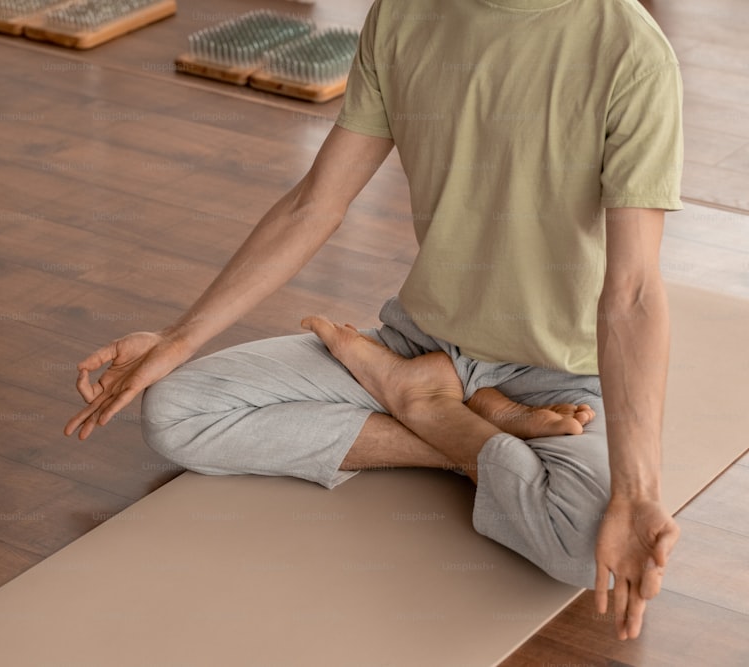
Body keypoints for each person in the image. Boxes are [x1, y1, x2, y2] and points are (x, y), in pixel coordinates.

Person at [65, 0, 683, 641]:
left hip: (557, 376)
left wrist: (637, 493)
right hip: (418, 345)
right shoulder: (404, 13)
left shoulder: (630, 51)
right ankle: (458, 419)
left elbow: (632, 291)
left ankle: (432, 410)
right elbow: (314, 204)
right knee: (175, 411)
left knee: (589, 549)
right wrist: (179, 337)